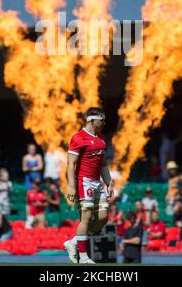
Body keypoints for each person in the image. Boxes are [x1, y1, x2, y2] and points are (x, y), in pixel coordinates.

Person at [64, 107, 113, 264]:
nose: (104, 123)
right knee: (85, 217)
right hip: (83, 181)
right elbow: (70, 164)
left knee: (103, 217)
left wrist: (108, 182)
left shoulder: (101, 138)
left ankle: (74, 242)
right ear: (91, 120)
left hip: (97, 182)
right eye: (101, 120)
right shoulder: (78, 138)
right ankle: (83, 257)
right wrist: (71, 186)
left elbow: (103, 163)